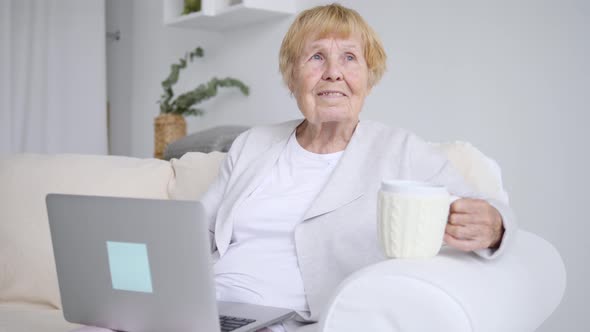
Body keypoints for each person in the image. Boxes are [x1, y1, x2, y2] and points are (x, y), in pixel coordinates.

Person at [200, 3, 515, 332]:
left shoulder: (400, 150)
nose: (333, 72)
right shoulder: (253, 144)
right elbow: (195, 230)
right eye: (317, 57)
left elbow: (486, 210)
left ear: (368, 76)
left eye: (349, 57)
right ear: (292, 76)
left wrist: (495, 227)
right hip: (205, 311)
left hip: (300, 322)